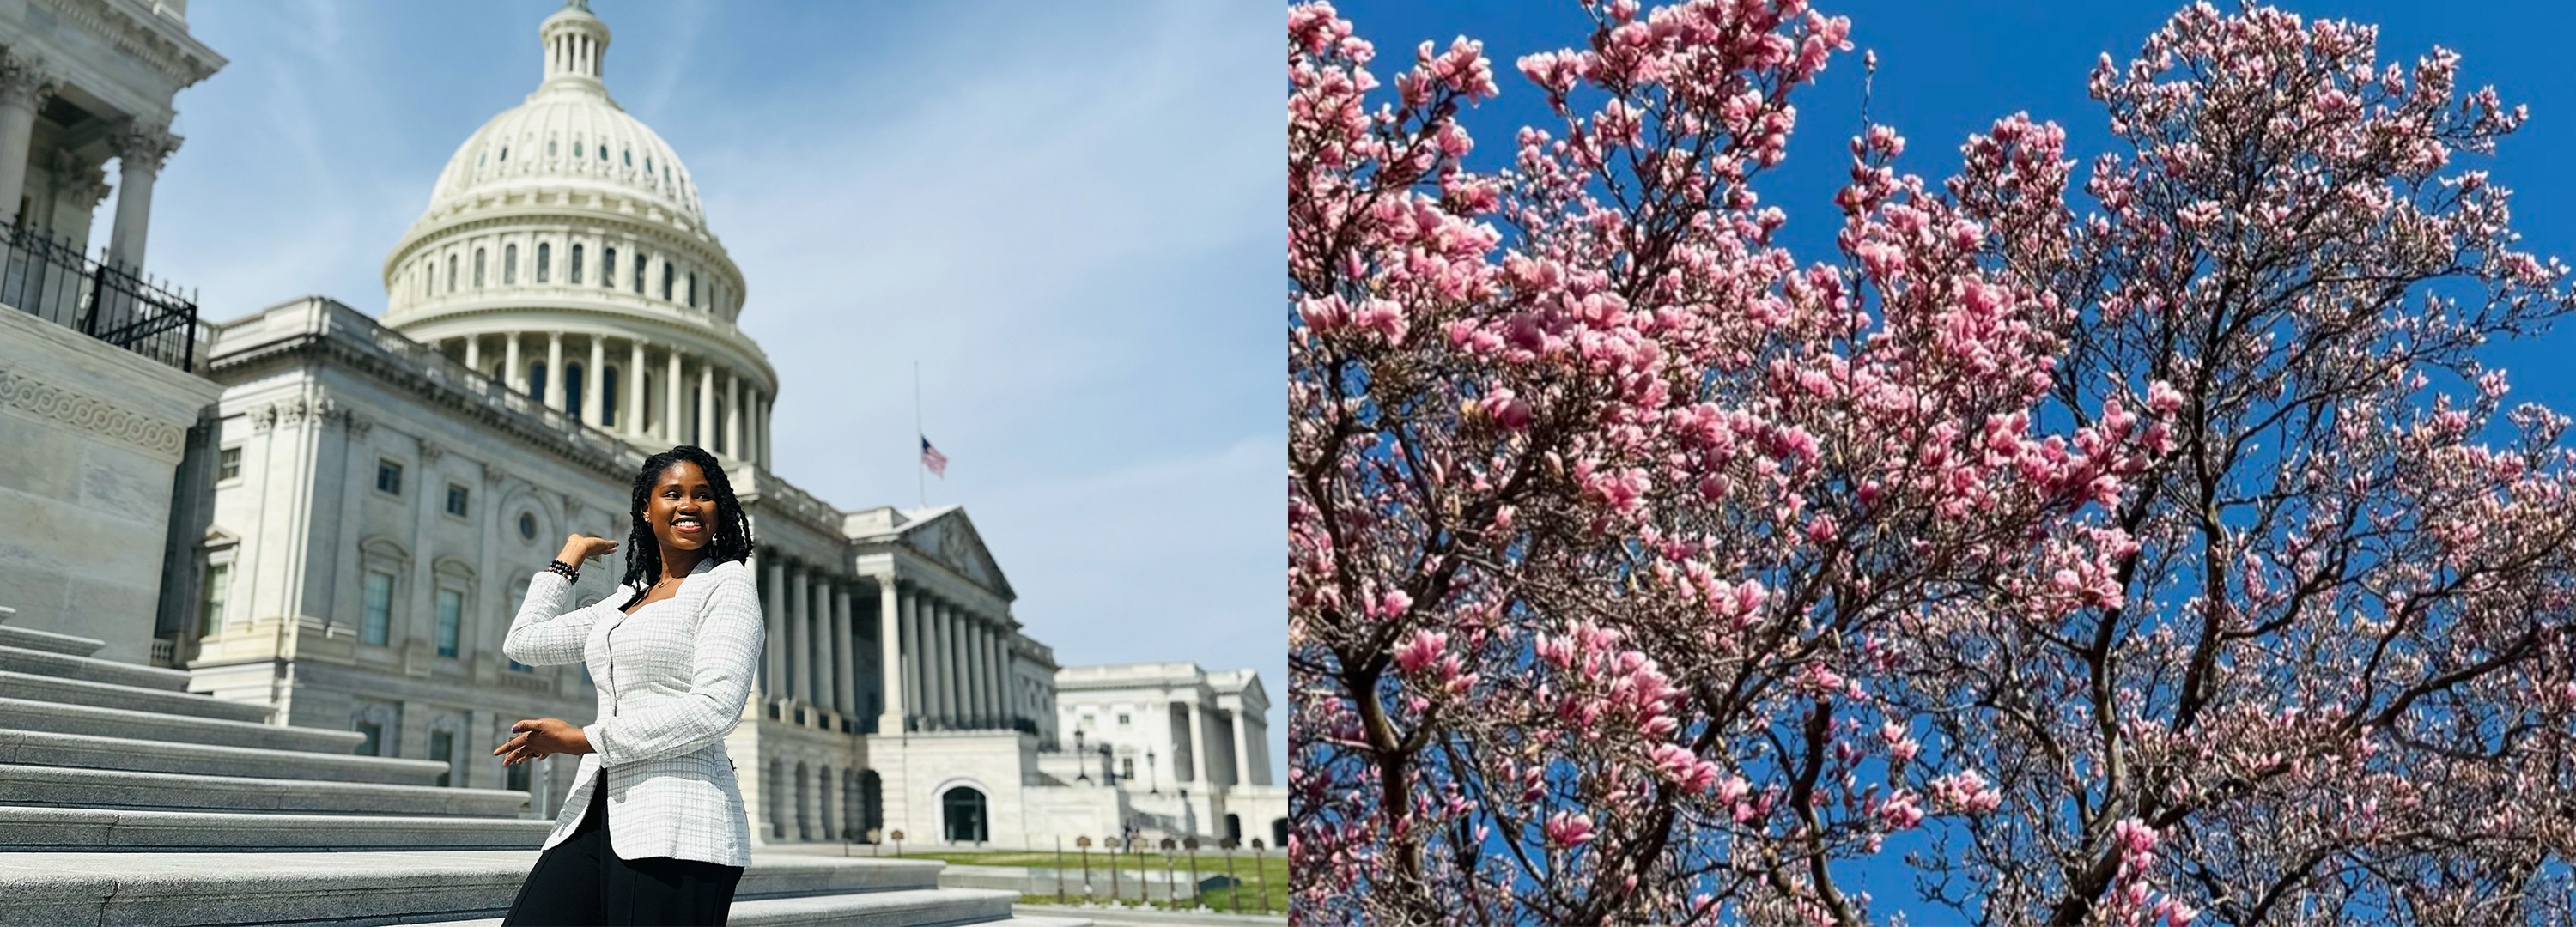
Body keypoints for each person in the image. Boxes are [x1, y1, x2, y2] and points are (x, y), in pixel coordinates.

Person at [493, 445, 764, 926]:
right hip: (594, 811)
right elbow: (524, 643)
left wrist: (580, 740)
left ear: (719, 509)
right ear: (647, 508)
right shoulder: (625, 600)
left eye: (704, 495)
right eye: (673, 493)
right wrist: (567, 559)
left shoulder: (728, 584)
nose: (688, 505)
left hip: (680, 821)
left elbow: (715, 708)